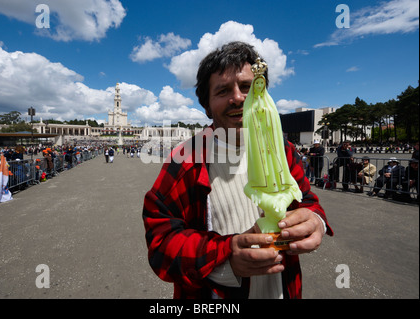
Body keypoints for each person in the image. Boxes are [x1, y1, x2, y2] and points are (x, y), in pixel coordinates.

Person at [142, 42, 333, 299]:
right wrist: (225, 255)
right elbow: (161, 242)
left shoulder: (284, 150)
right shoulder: (187, 159)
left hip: (283, 289)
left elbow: (307, 200)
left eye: (246, 86)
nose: (238, 97)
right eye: (223, 90)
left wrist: (315, 221)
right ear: (207, 106)